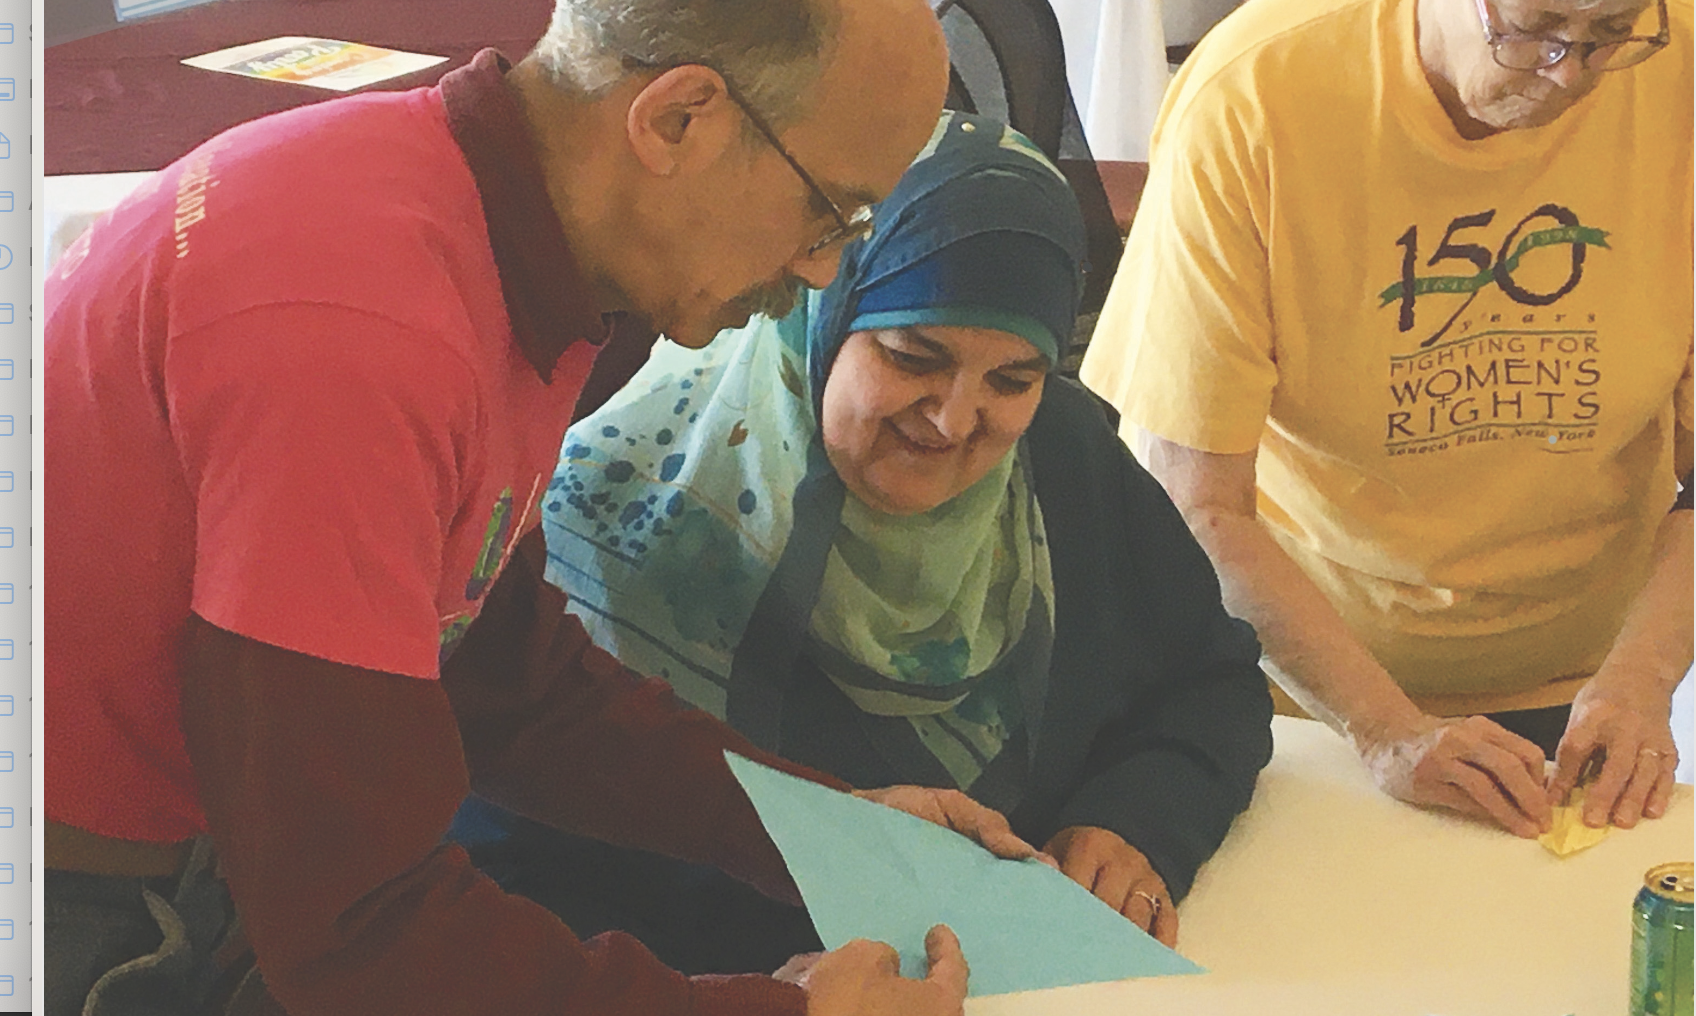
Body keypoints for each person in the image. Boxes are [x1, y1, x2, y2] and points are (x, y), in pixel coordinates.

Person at [43, 0, 1048, 1012]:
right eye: (829, 210)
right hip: (86, 901)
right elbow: (357, 928)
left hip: (208, 849)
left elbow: (496, 667)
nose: (824, 267)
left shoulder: (472, 221)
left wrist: (830, 833)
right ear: (678, 120)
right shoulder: (361, 333)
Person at [456, 111, 1274, 974]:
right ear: (825, 314)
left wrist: (1137, 819)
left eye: (1012, 378)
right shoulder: (618, 510)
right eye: (912, 356)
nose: (955, 420)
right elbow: (495, 871)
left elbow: (1211, 681)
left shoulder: (1059, 461)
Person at [1079, 0, 1691, 840]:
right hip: (1301, 693)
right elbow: (1196, 505)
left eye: (1611, 33)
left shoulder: (1682, 72)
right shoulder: (1253, 98)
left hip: (1587, 670)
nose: (1570, 73)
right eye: (1533, 29)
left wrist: (1644, 679)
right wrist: (1382, 728)